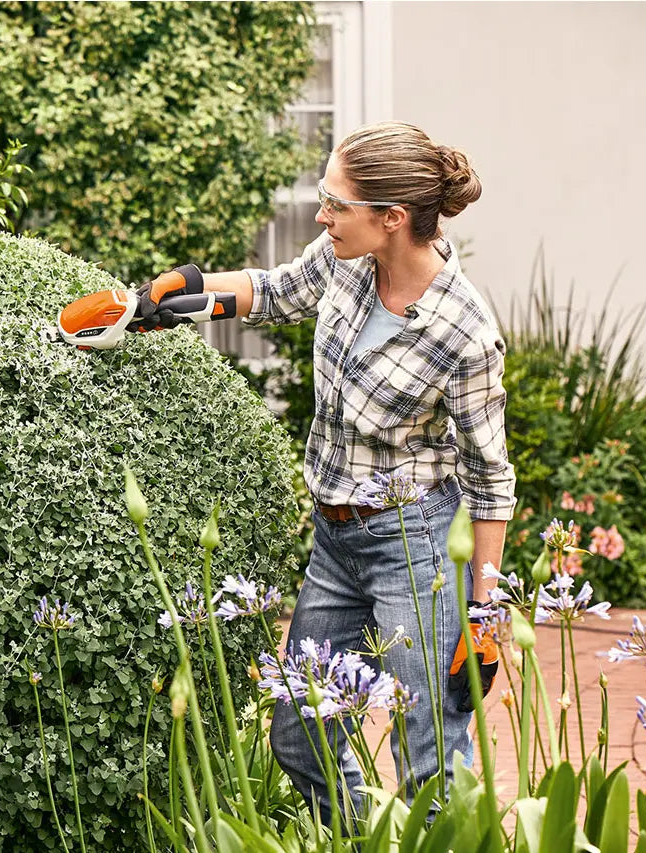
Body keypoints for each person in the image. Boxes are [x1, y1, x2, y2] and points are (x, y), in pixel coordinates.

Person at [141, 121, 516, 824]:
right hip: (336, 540)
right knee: (299, 735)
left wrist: (482, 614)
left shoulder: (463, 331)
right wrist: (183, 293)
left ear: (391, 217)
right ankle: (359, 837)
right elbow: (276, 290)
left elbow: (489, 478)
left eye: (335, 203)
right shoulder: (347, 260)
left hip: (415, 547)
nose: (321, 215)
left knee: (428, 756)